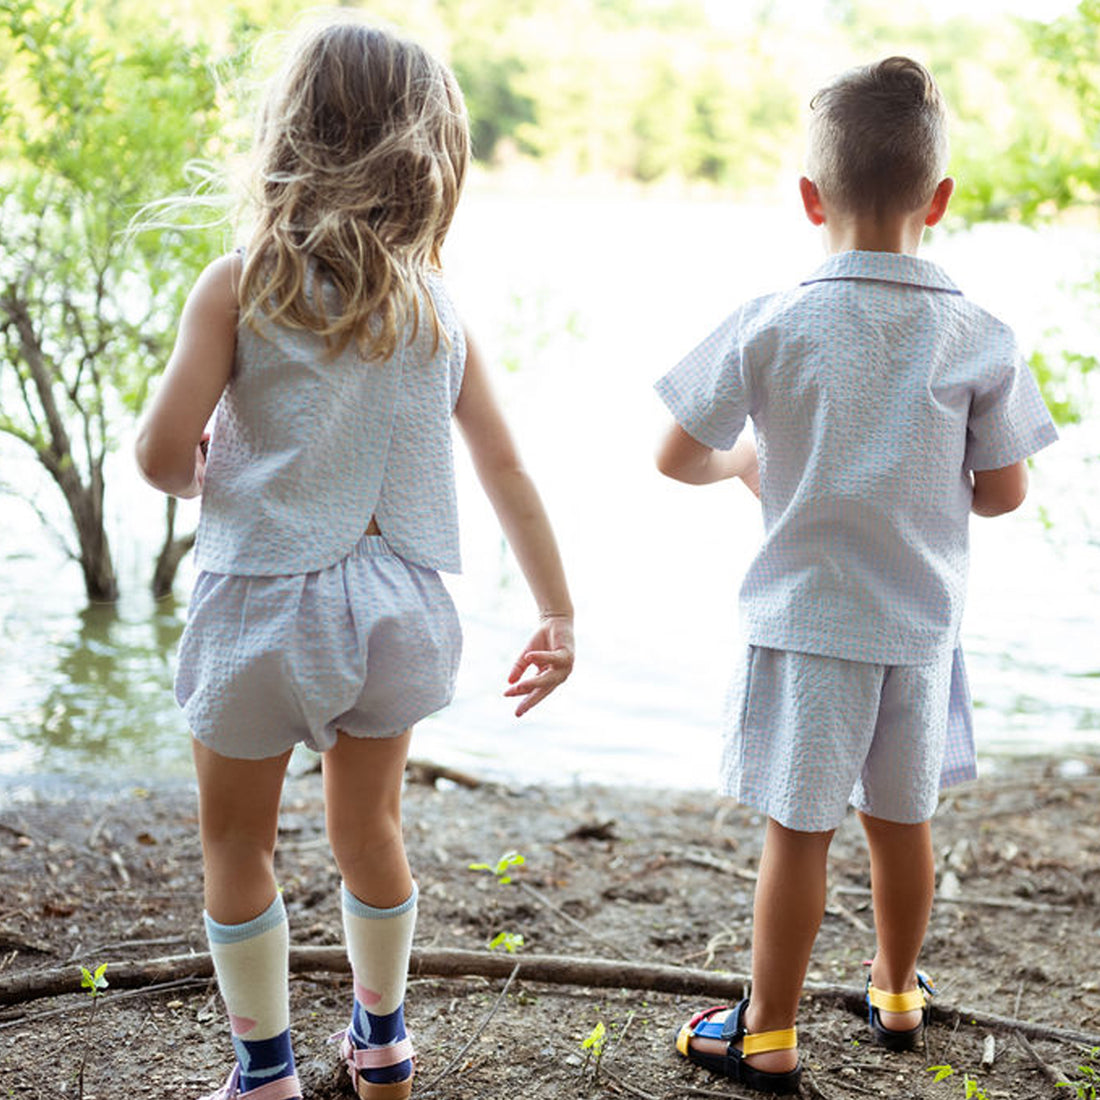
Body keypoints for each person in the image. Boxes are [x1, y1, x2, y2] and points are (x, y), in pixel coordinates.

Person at [134, 18, 574, 1100]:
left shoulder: (241, 284)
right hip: (397, 608)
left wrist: (201, 470)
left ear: (292, 133)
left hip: (259, 612)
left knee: (237, 844)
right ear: (431, 159)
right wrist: (557, 612)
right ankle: (380, 1042)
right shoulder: (437, 311)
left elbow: (156, 454)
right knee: (368, 828)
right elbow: (508, 470)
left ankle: (265, 1071)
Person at [654, 56, 1057, 1095]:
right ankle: (893, 990)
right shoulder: (977, 333)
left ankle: (768, 1030)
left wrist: (744, 462)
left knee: (798, 827)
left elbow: (674, 453)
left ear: (806, 198)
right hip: (917, 627)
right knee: (900, 818)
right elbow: (1004, 492)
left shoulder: (771, 318)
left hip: (805, 621)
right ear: (939, 198)